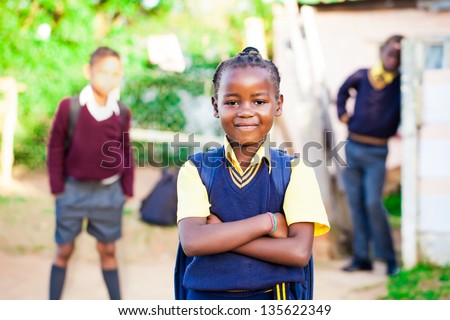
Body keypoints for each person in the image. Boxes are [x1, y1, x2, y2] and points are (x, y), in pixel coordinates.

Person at [176, 47, 330, 300]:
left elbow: (299, 252)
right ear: (216, 106)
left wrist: (219, 233)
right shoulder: (196, 170)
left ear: (278, 104)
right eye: (232, 102)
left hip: (272, 299)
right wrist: (268, 222)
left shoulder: (294, 171)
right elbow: (193, 242)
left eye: (259, 101)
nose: (245, 111)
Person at [47, 46, 134, 299]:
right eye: (103, 72)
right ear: (89, 71)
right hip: (73, 191)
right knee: (63, 249)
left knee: (108, 250)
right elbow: (55, 147)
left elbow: (126, 149)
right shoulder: (69, 107)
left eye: (115, 73)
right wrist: (57, 188)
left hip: (109, 192)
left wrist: (126, 189)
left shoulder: (122, 112)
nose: (109, 78)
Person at [336, 35, 404, 276]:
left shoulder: (401, 83)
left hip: (377, 152)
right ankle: (361, 258)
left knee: (373, 203)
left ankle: (389, 260)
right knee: (355, 203)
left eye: (398, 55)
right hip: (353, 147)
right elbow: (343, 90)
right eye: (390, 52)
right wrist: (343, 114)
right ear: (381, 52)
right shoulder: (363, 75)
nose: (393, 58)